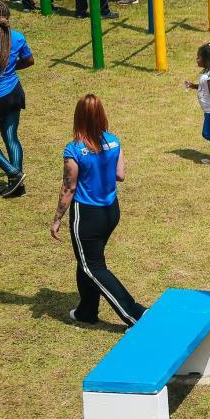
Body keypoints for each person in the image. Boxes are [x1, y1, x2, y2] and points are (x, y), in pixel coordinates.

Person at [50, 94, 147, 327]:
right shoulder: (114, 141)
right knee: (86, 259)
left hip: (87, 216)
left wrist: (57, 219)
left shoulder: (73, 150)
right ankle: (87, 311)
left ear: (78, 118)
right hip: (111, 212)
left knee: (92, 266)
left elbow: (69, 187)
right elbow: (120, 175)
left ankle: (135, 313)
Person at [0, 0, 33, 198]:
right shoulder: (17, 37)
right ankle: (17, 187)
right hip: (14, 92)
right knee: (11, 137)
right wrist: (10, 70)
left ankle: (13, 173)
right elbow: (29, 60)